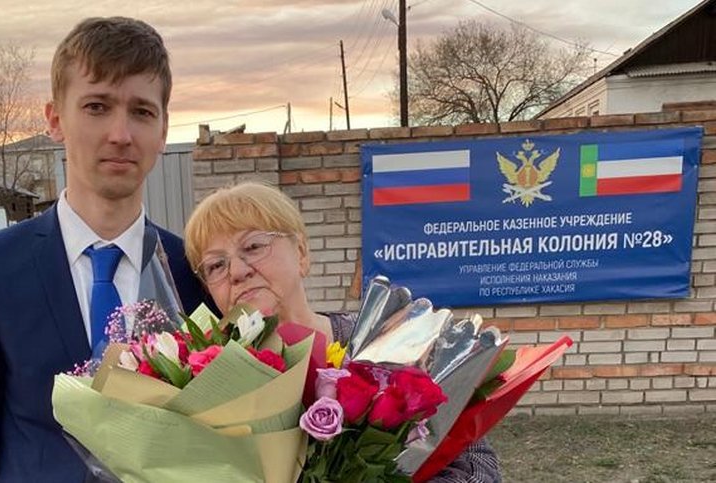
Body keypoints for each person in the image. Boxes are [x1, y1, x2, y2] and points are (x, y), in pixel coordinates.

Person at [0, 17, 211, 482]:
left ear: (163, 131)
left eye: (142, 112)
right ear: (55, 120)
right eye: (98, 106)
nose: (121, 134)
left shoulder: (192, 271)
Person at [184, 181, 502, 483]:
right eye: (215, 266)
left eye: (253, 246)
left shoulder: (385, 339)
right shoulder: (204, 378)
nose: (237, 272)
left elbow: (477, 466)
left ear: (302, 254)